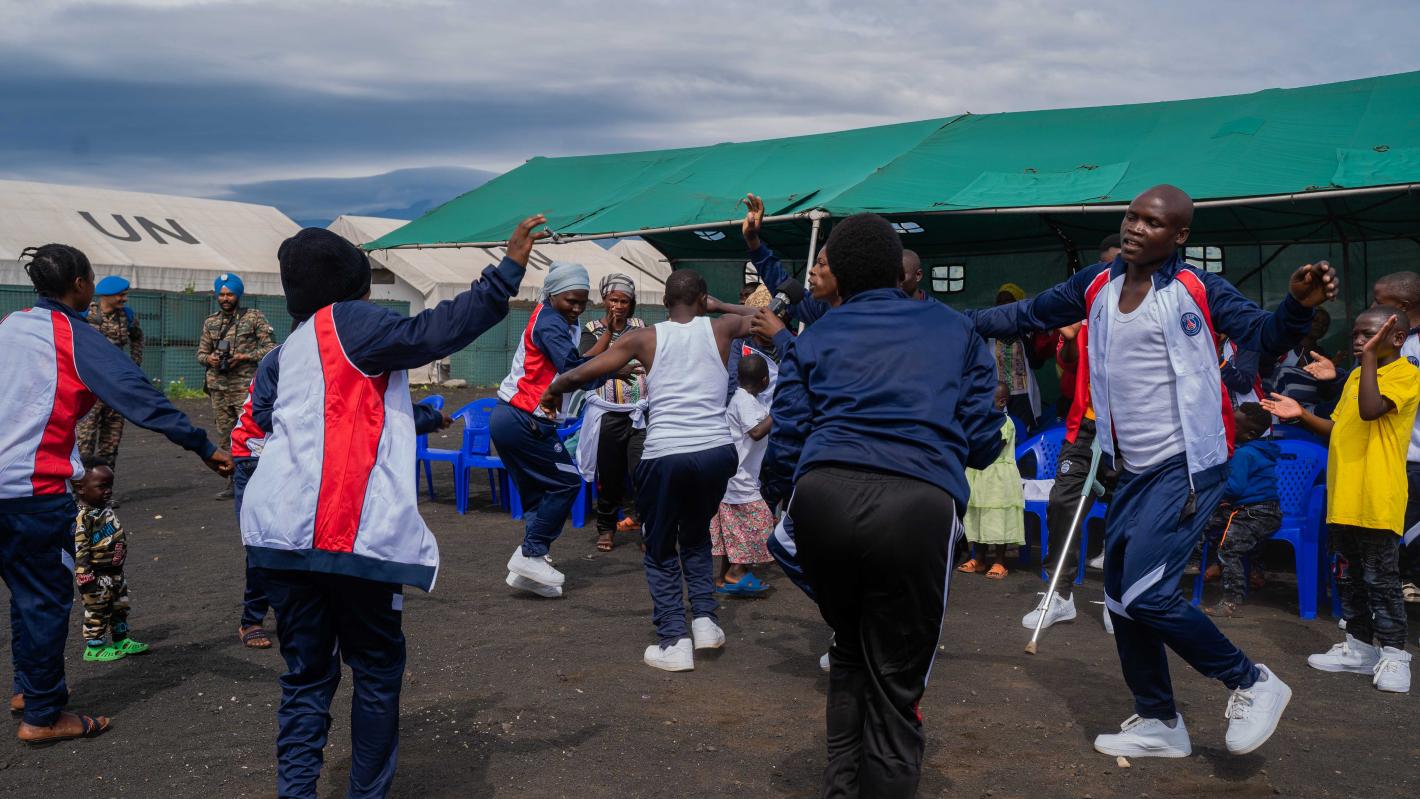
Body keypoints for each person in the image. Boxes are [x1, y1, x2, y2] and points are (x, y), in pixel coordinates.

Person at [970, 184, 1334, 759]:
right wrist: (953, 323)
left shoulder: (1198, 288)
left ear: (1180, 235)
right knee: (1120, 597)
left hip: (1187, 466)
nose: (1136, 228)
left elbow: (1264, 334)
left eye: (1153, 222)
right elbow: (1026, 313)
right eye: (1131, 217)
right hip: (1131, 468)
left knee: (1147, 593)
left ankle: (1251, 681)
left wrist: (1297, 307)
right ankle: (1161, 722)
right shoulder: (1096, 283)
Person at [240, 217, 543, 799]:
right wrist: (504, 273)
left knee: (307, 677)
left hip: (276, 535)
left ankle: (296, 792)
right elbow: (435, 332)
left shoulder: (287, 351)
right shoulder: (350, 321)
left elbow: (297, 417)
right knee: (376, 670)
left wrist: (414, 418)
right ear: (351, 283)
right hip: (347, 532)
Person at [759, 213, 1003, 797]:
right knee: (896, 680)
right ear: (901, 271)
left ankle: (840, 788)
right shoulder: (956, 330)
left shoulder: (815, 336)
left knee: (849, 648)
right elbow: (981, 438)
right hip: (916, 504)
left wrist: (781, 500)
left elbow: (787, 437)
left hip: (824, 499)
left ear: (838, 275)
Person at [1, 243, 231, 746]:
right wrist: (203, 446)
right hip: (29, 492)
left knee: (25, 592)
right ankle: (42, 716)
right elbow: (138, 395)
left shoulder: (10, 325)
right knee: (43, 598)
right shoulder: (75, 336)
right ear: (80, 284)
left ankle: (28, 689)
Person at [541, 271, 755, 672]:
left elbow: (585, 371)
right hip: (716, 452)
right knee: (695, 535)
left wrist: (554, 390)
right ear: (703, 299)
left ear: (665, 303)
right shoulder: (722, 327)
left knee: (660, 549)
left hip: (666, 455)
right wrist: (721, 306)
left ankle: (674, 640)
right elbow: (767, 314)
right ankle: (705, 621)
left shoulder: (645, 338)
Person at [1264, 307, 1418, 694]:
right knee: (1349, 577)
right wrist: (1301, 415)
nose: (1359, 341)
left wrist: (1369, 360)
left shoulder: (1407, 374)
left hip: (1377, 496)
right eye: (1356, 334)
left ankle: (1395, 654)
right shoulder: (1356, 377)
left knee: (1382, 580)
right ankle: (1360, 648)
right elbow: (1339, 428)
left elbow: (1371, 411)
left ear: (1397, 338)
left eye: (1369, 335)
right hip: (1344, 495)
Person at [494, 261, 613, 597]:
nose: (577, 308)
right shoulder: (550, 323)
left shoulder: (555, 318)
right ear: (552, 294)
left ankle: (530, 569)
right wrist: (614, 368)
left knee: (538, 495)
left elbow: (578, 360)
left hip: (513, 418)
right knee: (567, 482)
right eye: (571, 301)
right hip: (523, 419)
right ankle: (530, 554)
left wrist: (607, 350)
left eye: (582, 302)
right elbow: (572, 370)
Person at [579, 273, 648, 552]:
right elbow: (587, 361)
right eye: (613, 300)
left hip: (638, 413)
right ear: (604, 300)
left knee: (642, 472)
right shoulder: (592, 329)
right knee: (609, 474)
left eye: (624, 301)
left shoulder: (640, 327)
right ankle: (606, 528)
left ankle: (647, 528)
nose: (618, 306)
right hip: (608, 413)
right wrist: (609, 332)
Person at [197, 272, 276, 499]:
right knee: (225, 436)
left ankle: (259, 480)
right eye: (221, 294)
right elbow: (200, 353)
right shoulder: (211, 322)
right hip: (219, 388)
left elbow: (270, 347)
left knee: (251, 434)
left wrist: (243, 356)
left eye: (230, 294)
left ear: (238, 295)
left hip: (244, 387)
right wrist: (210, 358)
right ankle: (234, 482)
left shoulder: (253, 318)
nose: (225, 298)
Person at [1201, 403, 1282, 619]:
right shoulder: (1259, 449)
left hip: (1255, 512)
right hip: (1262, 511)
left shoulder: (1244, 454)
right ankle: (1206, 562)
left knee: (1229, 548)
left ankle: (1231, 601)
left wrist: (1213, 486)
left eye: (1233, 425)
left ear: (1250, 434)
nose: (1228, 426)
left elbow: (1234, 488)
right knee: (1207, 522)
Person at [1371, 271, 1420, 604]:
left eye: (1379, 301)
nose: (1372, 306)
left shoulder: (1408, 346)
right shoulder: (1387, 346)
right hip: (1398, 456)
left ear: (1402, 306)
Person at [71, 457, 149, 662]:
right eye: (102, 486)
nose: (108, 491)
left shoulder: (103, 507)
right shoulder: (83, 517)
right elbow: (80, 547)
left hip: (114, 571)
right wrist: (84, 573)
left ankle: (121, 639)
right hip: (96, 574)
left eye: (110, 486)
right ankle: (94, 647)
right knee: (98, 609)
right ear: (80, 488)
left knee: (119, 606)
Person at [711, 354, 775, 596]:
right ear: (765, 380)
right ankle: (736, 571)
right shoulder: (744, 401)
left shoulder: (747, 399)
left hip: (737, 476)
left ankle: (723, 577)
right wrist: (779, 412)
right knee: (761, 522)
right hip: (739, 479)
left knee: (732, 529)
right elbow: (755, 432)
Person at [957, 382, 1026, 580]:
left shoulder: (1004, 422)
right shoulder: (980, 421)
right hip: (979, 475)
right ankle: (979, 559)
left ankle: (1000, 561)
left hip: (997, 478)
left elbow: (993, 446)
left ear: (1001, 402)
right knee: (979, 516)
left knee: (997, 517)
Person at [75, 275, 143, 468]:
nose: (124, 299)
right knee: (84, 442)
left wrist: (134, 365)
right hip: (90, 387)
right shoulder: (85, 315)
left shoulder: (127, 316)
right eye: (121, 295)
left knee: (111, 442)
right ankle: (81, 483)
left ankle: (105, 484)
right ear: (108, 295)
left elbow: (137, 338)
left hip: (116, 388)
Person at [989, 283, 1043, 429]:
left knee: (1022, 431)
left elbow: (1037, 362)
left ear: (1017, 303)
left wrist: (1028, 335)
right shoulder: (989, 332)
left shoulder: (1026, 331)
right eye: (1000, 301)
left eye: (1008, 300)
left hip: (1023, 395)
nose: (1003, 305)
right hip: (999, 396)